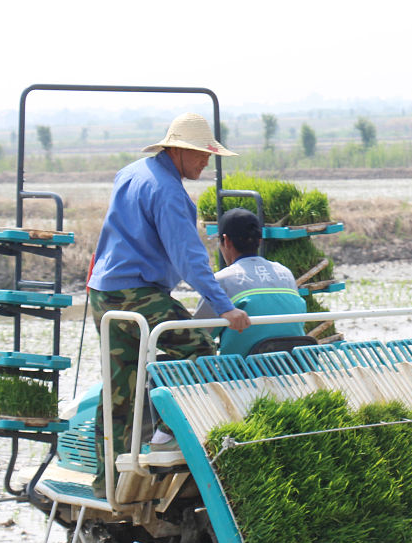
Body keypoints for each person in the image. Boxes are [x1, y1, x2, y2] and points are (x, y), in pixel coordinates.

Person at [87, 113, 250, 495]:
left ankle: (106, 480)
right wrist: (224, 307)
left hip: (104, 293)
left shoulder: (131, 173)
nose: (206, 162)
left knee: (119, 388)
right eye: (200, 154)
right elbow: (189, 258)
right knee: (196, 346)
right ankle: (167, 433)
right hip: (136, 292)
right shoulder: (169, 193)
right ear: (177, 149)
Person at [195, 208, 307, 357]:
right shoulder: (285, 273)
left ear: (226, 241)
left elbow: (197, 334)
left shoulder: (222, 280)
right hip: (293, 367)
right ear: (259, 241)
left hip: (241, 373)